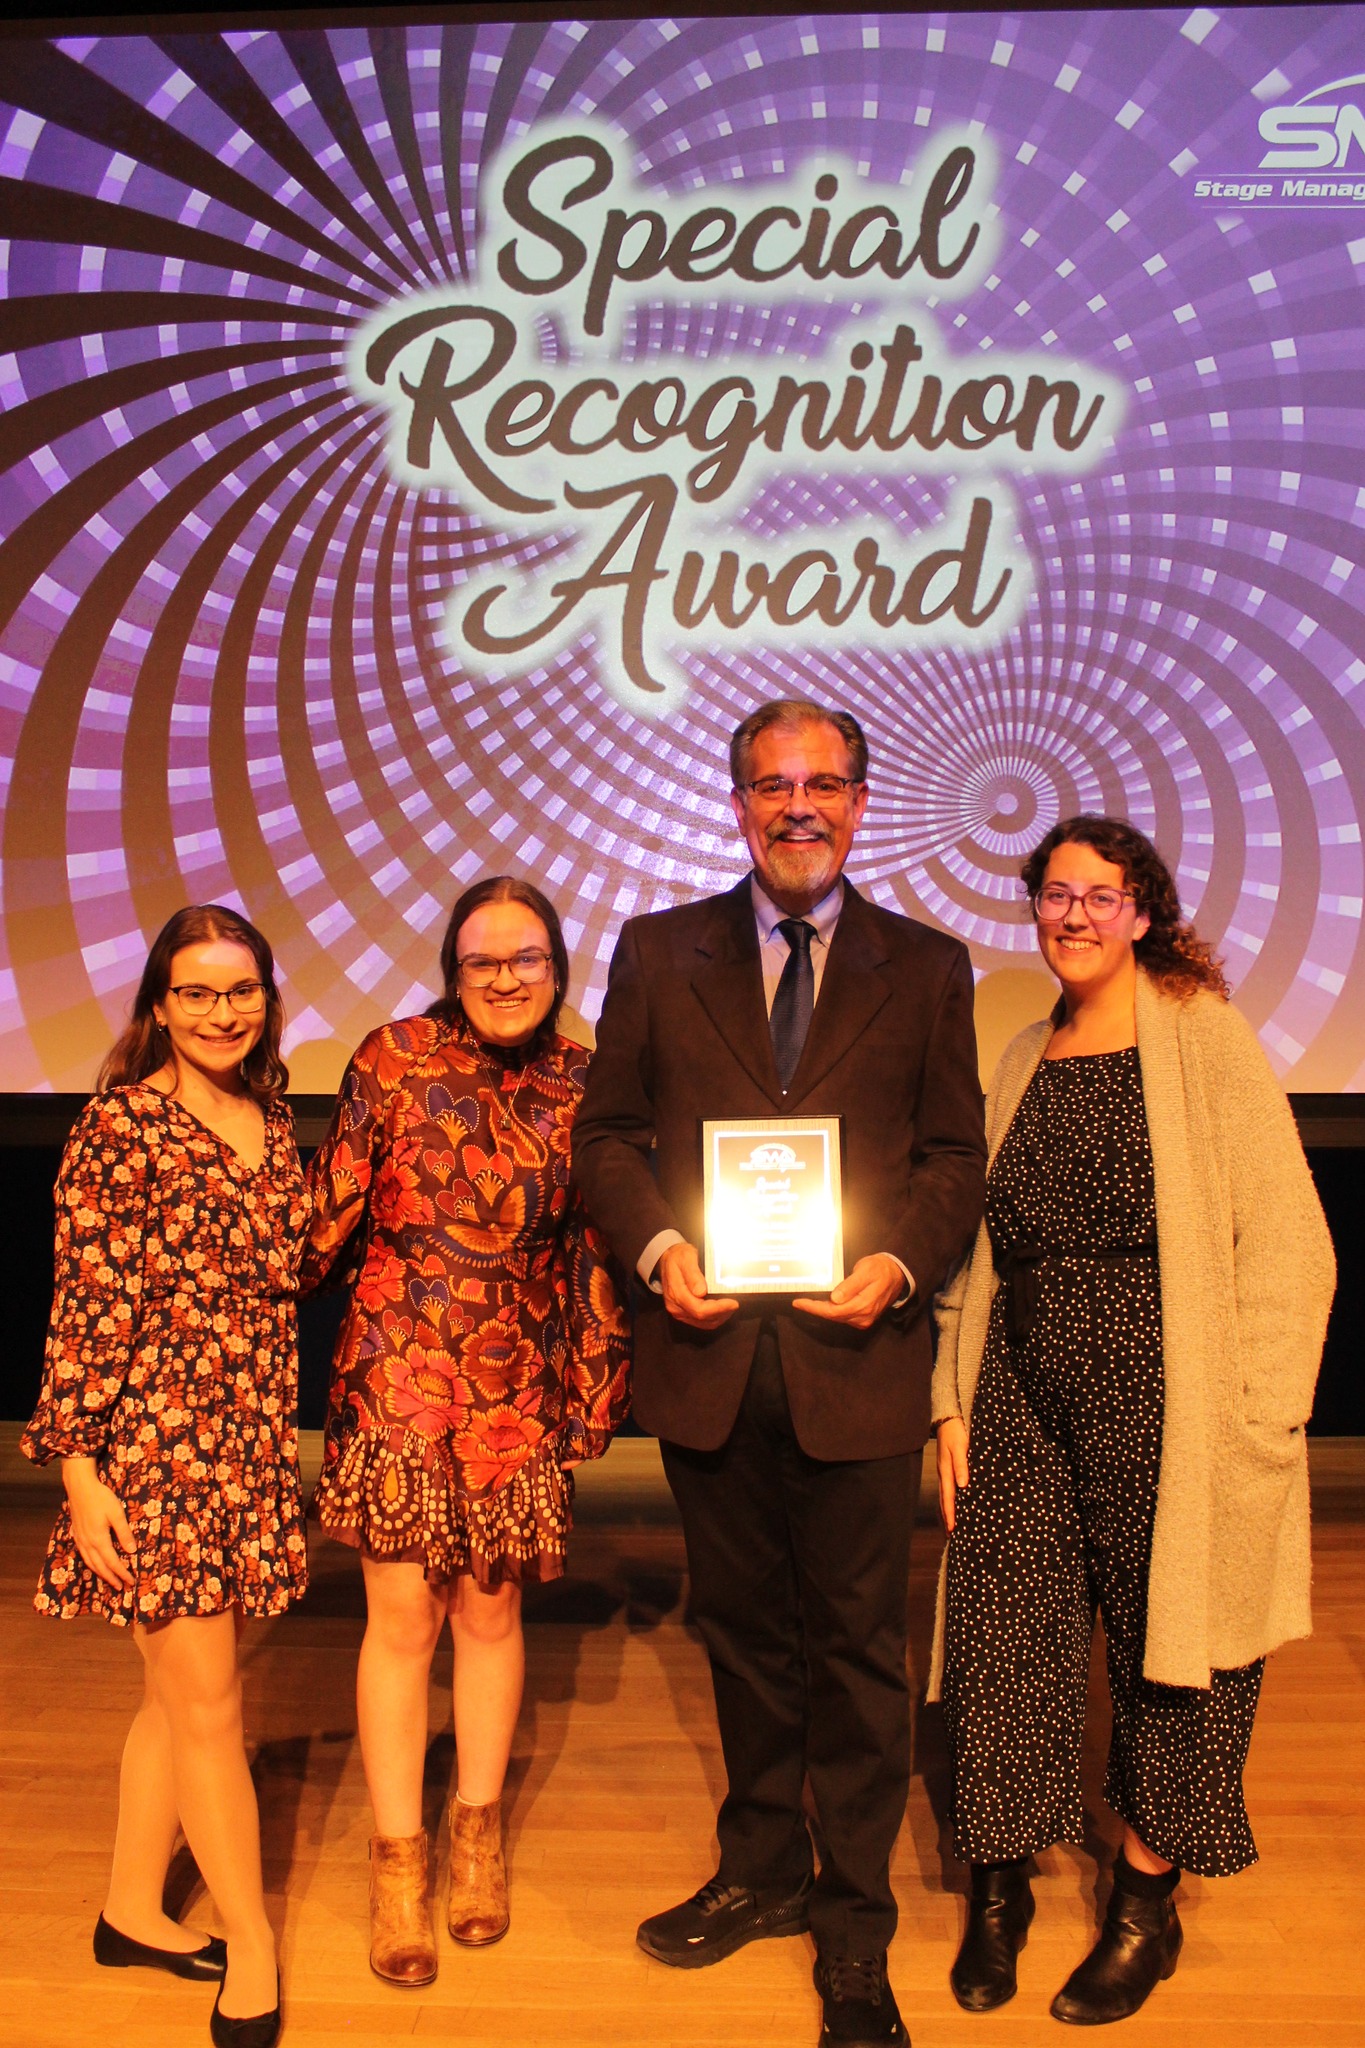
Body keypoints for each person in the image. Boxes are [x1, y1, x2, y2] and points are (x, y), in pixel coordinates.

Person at [573, 699, 986, 2048]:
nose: (795, 807)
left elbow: (949, 1161)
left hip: (856, 1360)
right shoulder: (655, 950)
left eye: (821, 784)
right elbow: (610, 1140)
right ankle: (758, 1870)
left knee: (860, 1656)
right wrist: (657, 1246)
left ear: (863, 800)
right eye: (770, 785)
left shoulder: (925, 966)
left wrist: (898, 1271)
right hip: (706, 1359)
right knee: (742, 1638)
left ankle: (852, 1926)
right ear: (736, 800)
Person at [931, 816, 1336, 2026]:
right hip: (1021, 1388)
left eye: (1099, 896)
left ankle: (1142, 1904)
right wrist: (951, 1398)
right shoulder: (1020, 1053)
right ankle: (996, 1889)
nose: (1072, 916)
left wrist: (1264, 1419)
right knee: (1004, 1639)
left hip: (1178, 1392)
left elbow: (1290, 1242)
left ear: (1144, 911)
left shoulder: (1204, 1038)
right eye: (1054, 895)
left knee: (1183, 1650)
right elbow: (980, 1250)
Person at [302, 875, 630, 1987]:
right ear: (453, 967)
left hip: (516, 1378)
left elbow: (591, 1243)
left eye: (526, 959)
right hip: (397, 1367)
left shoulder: (587, 1081)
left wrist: (590, 1385)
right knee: (401, 1614)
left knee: (489, 1609)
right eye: (483, 961)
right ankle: (400, 1864)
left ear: (556, 967)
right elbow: (330, 1212)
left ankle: (474, 1836)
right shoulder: (389, 1058)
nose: (504, 979)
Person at [22, 904, 307, 2048]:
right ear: (157, 1003)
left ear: (266, 998)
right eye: (196, 991)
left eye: (240, 989)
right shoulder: (120, 1124)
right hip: (154, 1450)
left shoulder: (271, 1118)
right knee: (210, 1708)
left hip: (244, 1442)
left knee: (171, 1697)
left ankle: (131, 1909)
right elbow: (87, 1302)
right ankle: (253, 1943)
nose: (221, 1010)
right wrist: (81, 1471)